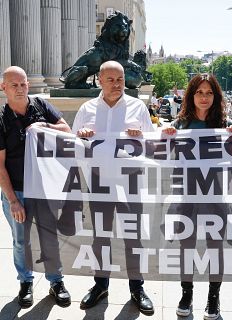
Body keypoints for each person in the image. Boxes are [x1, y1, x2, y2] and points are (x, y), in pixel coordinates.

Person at [72, 60, 155, 314]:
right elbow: (72, 146)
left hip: (130, 181)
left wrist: (141, 136)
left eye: (120, 79)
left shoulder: (137, 107)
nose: (117, 84)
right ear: (99, 80)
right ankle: (100, 285)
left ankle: (137, 287)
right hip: (99, 182)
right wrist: (81, 136)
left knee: (133, 237)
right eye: (111, 79)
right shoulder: (87, 108)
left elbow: (152, 146)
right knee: (101, 237)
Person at [163, 74, 232, 319]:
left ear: (216, 96)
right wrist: (165, 137)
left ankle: (213, 297)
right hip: (186, 196)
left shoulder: (225, 123)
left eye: (209, 93)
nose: (204, 97)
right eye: (199, 92)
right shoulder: (180, 124)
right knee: (187, 246)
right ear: (191, 95)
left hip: (215, 196)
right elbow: (161, 156)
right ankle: (186, 293)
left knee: (214, 247)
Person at [0, 66, 72, 308]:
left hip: (45, 189)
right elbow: (0, 166)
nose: (19, 89)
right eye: (14, 85)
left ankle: (56, 281)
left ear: (28, 86)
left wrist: (45, 127)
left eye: (23, 84)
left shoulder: (41, 106)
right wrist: (12, 200)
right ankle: (26, 282)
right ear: (4, 88)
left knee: (49, 237)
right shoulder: (1, 120)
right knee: (22, 241)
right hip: (17, 191)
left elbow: (67, 130)